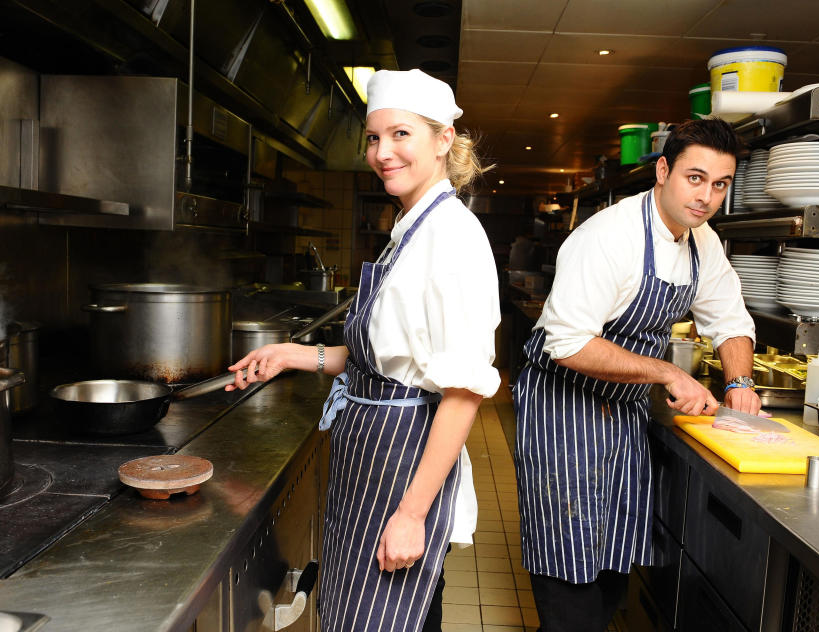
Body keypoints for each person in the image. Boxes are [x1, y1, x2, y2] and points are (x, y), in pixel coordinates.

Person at [227, 69, 500, 632]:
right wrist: (292, 355)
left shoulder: (453, 238)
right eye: (374, 139)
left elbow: (463, 391)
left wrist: (411, 514)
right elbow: (386, 361)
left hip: (405, 470)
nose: (382, 153)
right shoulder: (410, 228)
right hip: (371, 463)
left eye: (400, 135)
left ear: (444, 139)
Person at [513, 118, 760, 631]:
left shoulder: (703, 242)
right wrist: (667, 372)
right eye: (695, 178)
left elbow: (731, 320)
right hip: (563, 407)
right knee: (568, 554)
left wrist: (739, 383)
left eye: (720, 184)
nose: (706, 196)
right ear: (664, 171)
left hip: (621, 408)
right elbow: (568, 342)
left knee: (608, 561)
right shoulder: (609, 237)